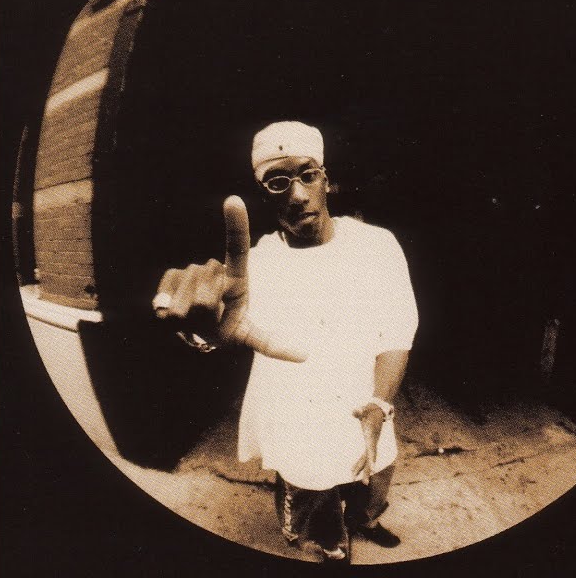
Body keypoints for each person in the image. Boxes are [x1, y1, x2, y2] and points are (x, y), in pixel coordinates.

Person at [151, 121, 418, 563]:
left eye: (307, 175)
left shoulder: (376, 245)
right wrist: (201, 331)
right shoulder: (256, 265)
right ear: (263, 195)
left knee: (376, 476)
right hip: (295, 408)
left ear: (326, 180)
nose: (297, 195)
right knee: (313, 491)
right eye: (277, 182)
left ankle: (366, 519)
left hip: (367, 397)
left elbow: (397, 328)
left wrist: (379, 404)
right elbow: (229, 325)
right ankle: (331, 544)